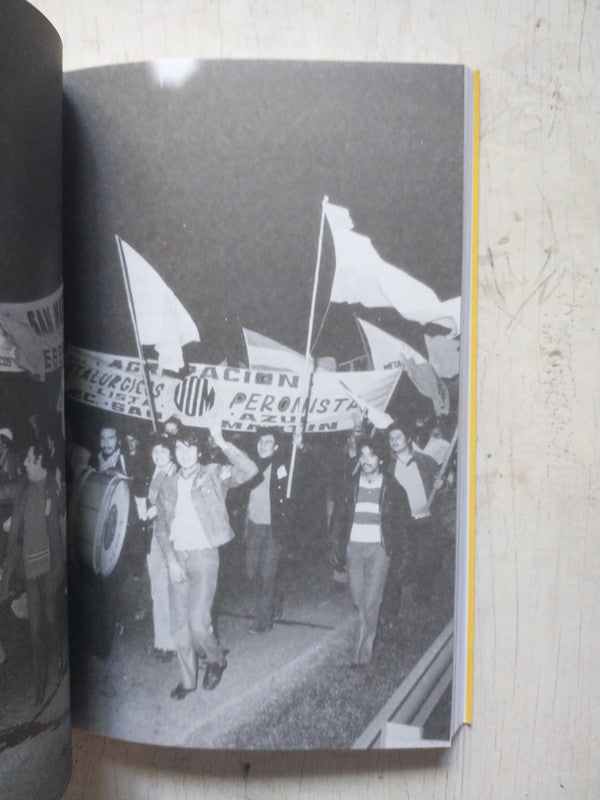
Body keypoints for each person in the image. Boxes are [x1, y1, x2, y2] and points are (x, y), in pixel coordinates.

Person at [154, 422, 257, 699]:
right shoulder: (167, 483)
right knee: (180, 629)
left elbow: (249, 470)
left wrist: (223, 443)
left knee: (198, 623)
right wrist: (171, 561)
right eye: (179, 448)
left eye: (190, 448)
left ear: (199, 452)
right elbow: (161, 524)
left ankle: (217, 659)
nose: (184, 453)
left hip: (204, 557)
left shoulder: (213, 474)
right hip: (177, 558)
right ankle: (188, 681)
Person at [329, 437, 411, 667]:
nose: (365, 460)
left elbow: (402, 526)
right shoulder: (351, 485)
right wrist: (336, 547)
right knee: (359, 600)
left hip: (379, 550)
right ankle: (373, 627)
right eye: (362, 455)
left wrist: (402, 556)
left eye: (371, 455)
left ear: (381, 459)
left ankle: (361, 658)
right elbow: (338, 519)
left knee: (371, 601)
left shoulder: (393, 488)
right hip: (353, 548)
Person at [0, 441, 65, 703]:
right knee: (35, 626)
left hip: (50, 568)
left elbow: (60, 529)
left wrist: (61, 569)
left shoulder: (53, 486)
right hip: (29, 568)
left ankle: (60, 650)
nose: (24, 463)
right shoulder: (24, 488)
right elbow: (4, 491)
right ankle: (40, 679)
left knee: (50, 618)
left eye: (28, 459)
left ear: (40, 461)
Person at [385, 420, 442, 609]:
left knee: (428, 561)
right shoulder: (387, 468)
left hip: (425, 520)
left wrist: (442, 485)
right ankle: (393, 608)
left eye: (398, 436)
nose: (394, 441)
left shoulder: (426, 462)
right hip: (402, 524)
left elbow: (443, 486)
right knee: (400, 565)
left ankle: (423, 598)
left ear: (408, 439)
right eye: (391, 438)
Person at [243, 428, 291, 635]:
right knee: (251, 571)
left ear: (276, 447)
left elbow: (304, 469)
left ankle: (262, 621)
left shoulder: (283, 465)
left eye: (268, 442)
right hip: (253, 526)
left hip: (274, 528)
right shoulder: (249, 466)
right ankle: (274, 597)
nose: (263, 445)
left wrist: (301, 447)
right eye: (261, 441)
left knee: (266, 573)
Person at [142, 434, 177, 660]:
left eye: (163, 451)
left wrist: (158, 511)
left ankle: (173, 643)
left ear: (171, 453)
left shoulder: (177, 474)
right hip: (153, 537)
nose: (158, 455)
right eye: (155, 451)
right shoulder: (152, 475)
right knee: (158, 590)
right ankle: (162, 640)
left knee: (170, 591)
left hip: (171, 539)